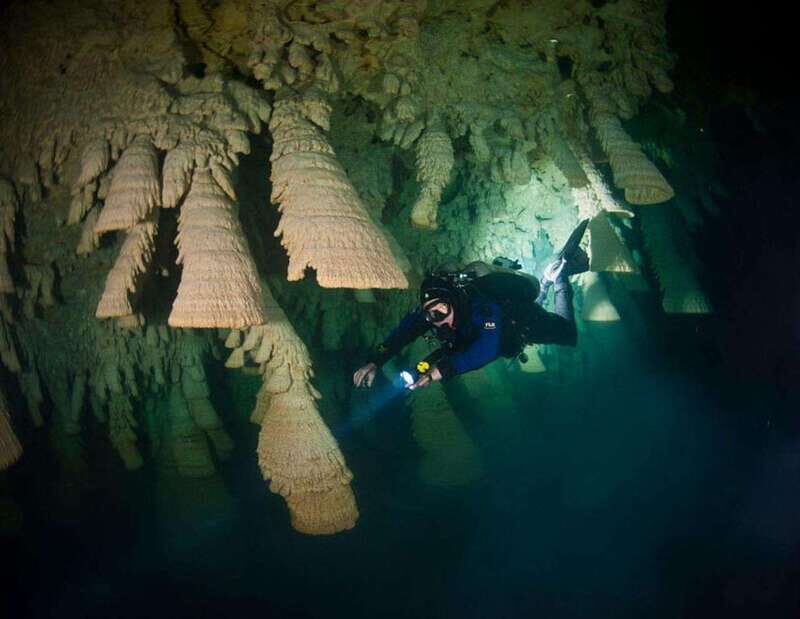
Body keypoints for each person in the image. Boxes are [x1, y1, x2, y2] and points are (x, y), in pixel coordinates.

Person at [353, 251, 586, 391]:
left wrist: (436, 373)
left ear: (453, 301)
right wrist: (375, 361)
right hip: (498, 336)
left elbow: (487, 348)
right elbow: (401, 334)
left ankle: (556, 279)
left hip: (521, 321)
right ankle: (545, 285)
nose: (438, 319)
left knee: (568, 335)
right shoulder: (432, 313)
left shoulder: (481, 307)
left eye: (442, 310)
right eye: (431, 314)